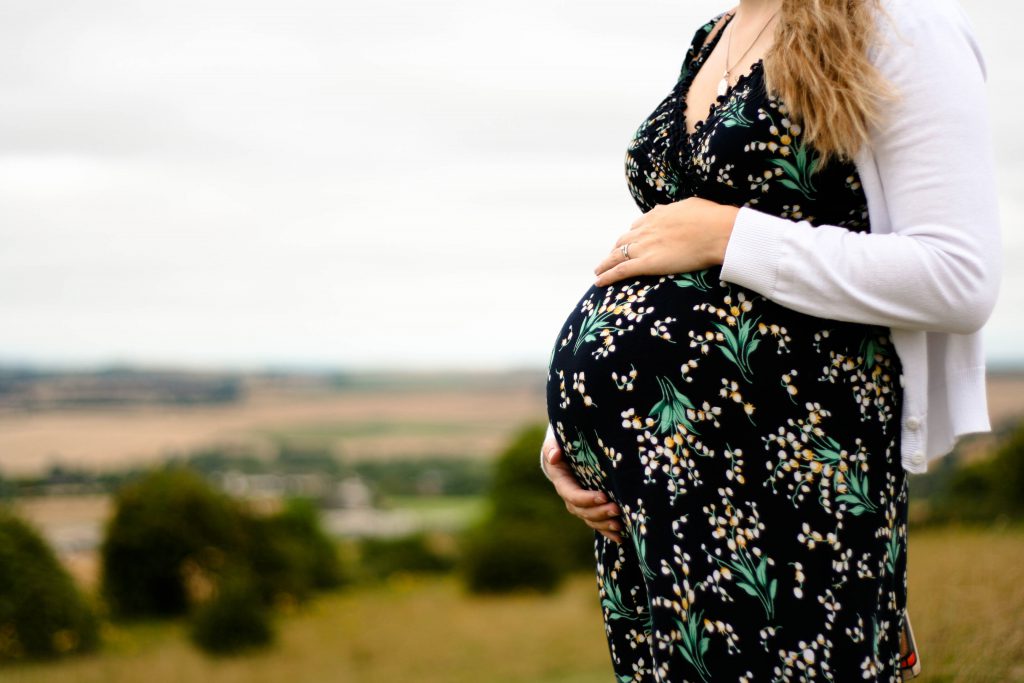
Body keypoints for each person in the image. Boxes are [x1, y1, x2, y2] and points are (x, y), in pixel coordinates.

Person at [539, 0, 1001, 680]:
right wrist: (585, 430)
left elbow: (959, 276)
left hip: (785, 484)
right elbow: (677, 253)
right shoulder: (715, 34)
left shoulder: (902, 25)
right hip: (656, 491)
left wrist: (731, 236)